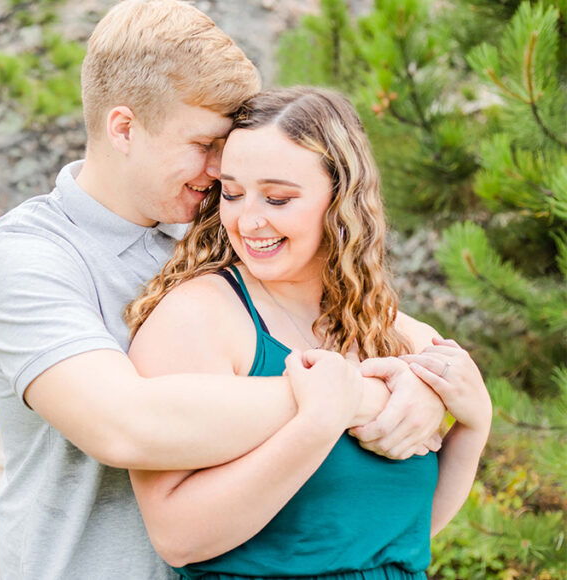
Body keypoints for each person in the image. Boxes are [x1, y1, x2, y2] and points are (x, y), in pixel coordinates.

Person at [0, 2, 446, 578]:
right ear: (124, 128)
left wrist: (425, 385)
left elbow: (389, 330)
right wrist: (353, 399)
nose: (221, 170)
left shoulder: (216, 232)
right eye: (203, 144)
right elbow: (125, 425)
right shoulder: (32, 255)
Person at [124, 86, 491, 578]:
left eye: (277, 198)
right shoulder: (198, 318)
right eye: (231, 193)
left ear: (341, 200)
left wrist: (475, 423)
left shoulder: (397, 335)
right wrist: (318, 422)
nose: (247, 220)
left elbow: (401, 536)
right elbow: (177, 538)